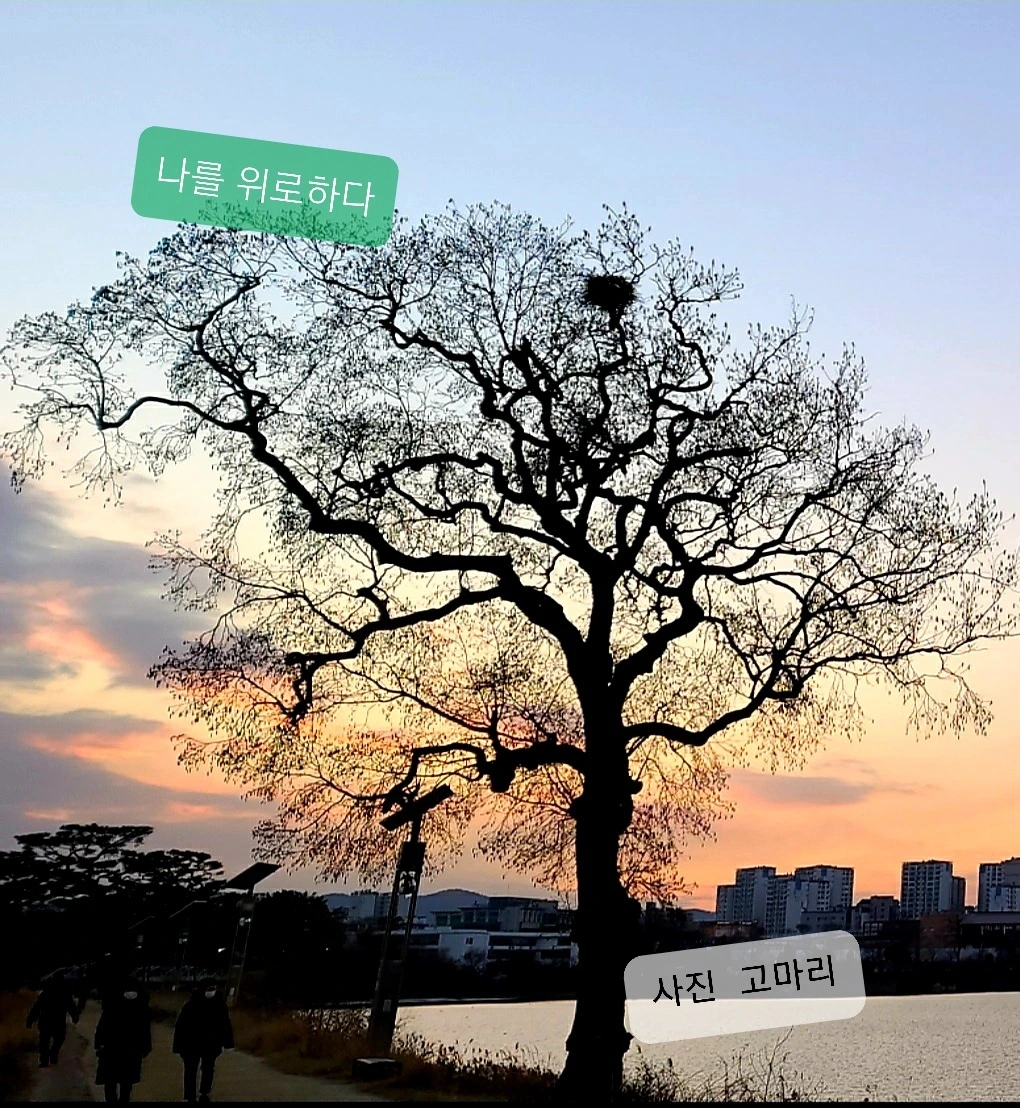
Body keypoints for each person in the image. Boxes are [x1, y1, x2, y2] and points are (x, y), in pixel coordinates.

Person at [172, 979, 234, 1103]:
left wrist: (227, 1042)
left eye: (213, 989)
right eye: (209, 989)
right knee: (191, 1070)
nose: (212, 992)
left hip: (211, 1044)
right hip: (191, 1044)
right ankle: (190, 1095)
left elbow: (225, 1025)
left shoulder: (219, 1005)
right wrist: (178, 1046)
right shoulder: (191, 1006)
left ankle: (204, 1092)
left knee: (208, 1069)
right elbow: (181, 1027)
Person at [94, 980, 152, 1103]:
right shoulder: (141, 1006)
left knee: (110, 1081)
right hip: (131, 1048)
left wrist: (98, 1042)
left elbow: (103, 1024)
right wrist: (146, 1046)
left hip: (112, 1047)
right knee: (126, 1081)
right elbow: (145, 1028)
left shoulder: (112, 1004)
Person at [26, 969, 79, 1067]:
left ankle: (46, 1059)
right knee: (57, 1040)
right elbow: (71, 1007)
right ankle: (51, 1055)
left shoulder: (47, 993)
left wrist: (30, 1020)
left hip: (47, 1021)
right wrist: (75, 1017)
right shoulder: (63, 994)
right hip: (57, 1021)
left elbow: (36, 1008)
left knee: (45, 1042)